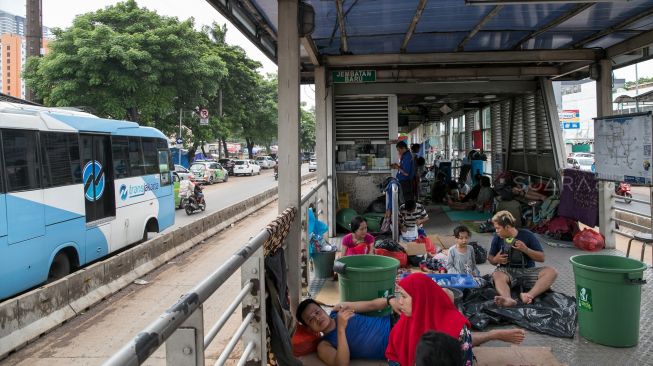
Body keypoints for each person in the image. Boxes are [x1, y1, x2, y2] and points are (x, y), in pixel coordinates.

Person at [296, 278, 525, 366]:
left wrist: (391, 300)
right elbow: (341, 363)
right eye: (311, 319)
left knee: (442, 296)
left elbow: (374, 305)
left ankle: (491, 304)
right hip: (399, 340)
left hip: (396, 319)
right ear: (308, 327)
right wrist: (343, 330)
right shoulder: (325, 344)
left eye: (316, 311)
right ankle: (493, 334)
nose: (317, 317)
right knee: (446, 334)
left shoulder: (340, 309)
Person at [386, 273, 526, 366]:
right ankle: (494, 335)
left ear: (420, 299)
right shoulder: (406, 319)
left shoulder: (455, 326)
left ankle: (495, 334)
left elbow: (463, 355)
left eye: (404, 296)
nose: (400, 302)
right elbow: (393, 356)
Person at [487, 211, 558, 307]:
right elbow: (490, 258)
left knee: (552, 271)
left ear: (507, 227)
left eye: (498, 228)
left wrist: (526, 249)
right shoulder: (497, 238)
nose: (496, 231)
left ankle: (528, 295)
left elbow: (542, 258)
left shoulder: (527, 235)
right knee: (497, 274)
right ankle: (507, 299)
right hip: (507, 272)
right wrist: (496, 259)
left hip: (527, 271)